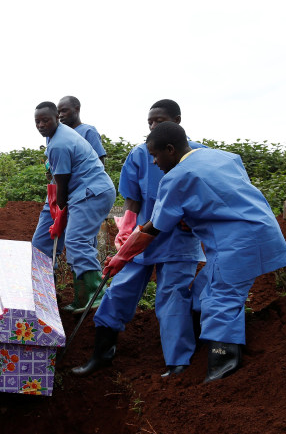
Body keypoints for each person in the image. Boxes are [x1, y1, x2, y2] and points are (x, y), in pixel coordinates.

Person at [99, 122, 286, 383]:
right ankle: (202, 348)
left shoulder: (175, 178)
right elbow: (227, 192)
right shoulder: (224, 156)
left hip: (236, 243)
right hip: (261, 228)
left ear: (170, 149)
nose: (154, 162)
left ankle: (221, 371)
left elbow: (154, 228)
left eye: (156, 155)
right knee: (201, 292)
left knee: (220, 299)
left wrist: (121, 257)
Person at [73, 99, 207, 378]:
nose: (154, 126)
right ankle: (102, 353)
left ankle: (178, 361)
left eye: (160, 121)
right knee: (119, 289)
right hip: (141, 239)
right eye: (150, 122)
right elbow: (132, 202)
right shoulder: (139, 154)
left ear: (177, 120)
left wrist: (193, 220)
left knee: (172, 298)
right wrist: (125, 234)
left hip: (179, 241)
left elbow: (206, 197)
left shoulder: (199, 155)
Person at [31, 102, 116, 314]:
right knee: (41, 242)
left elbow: (63, 182)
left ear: (56, 118)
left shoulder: (60, 142)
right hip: (69, 192)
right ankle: (47, 294)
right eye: (37, 121)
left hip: (90, 192)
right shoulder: (53, 136)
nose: (41, 125)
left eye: (46, 120)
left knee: (76, 239)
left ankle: (97, 295)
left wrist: (60, 211)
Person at [57, 96, 106, 164]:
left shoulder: (88, 131)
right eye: (58, 112)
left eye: (64, 111)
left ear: (77, 109)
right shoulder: (58, 134)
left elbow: (99, 162)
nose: (60, 115)